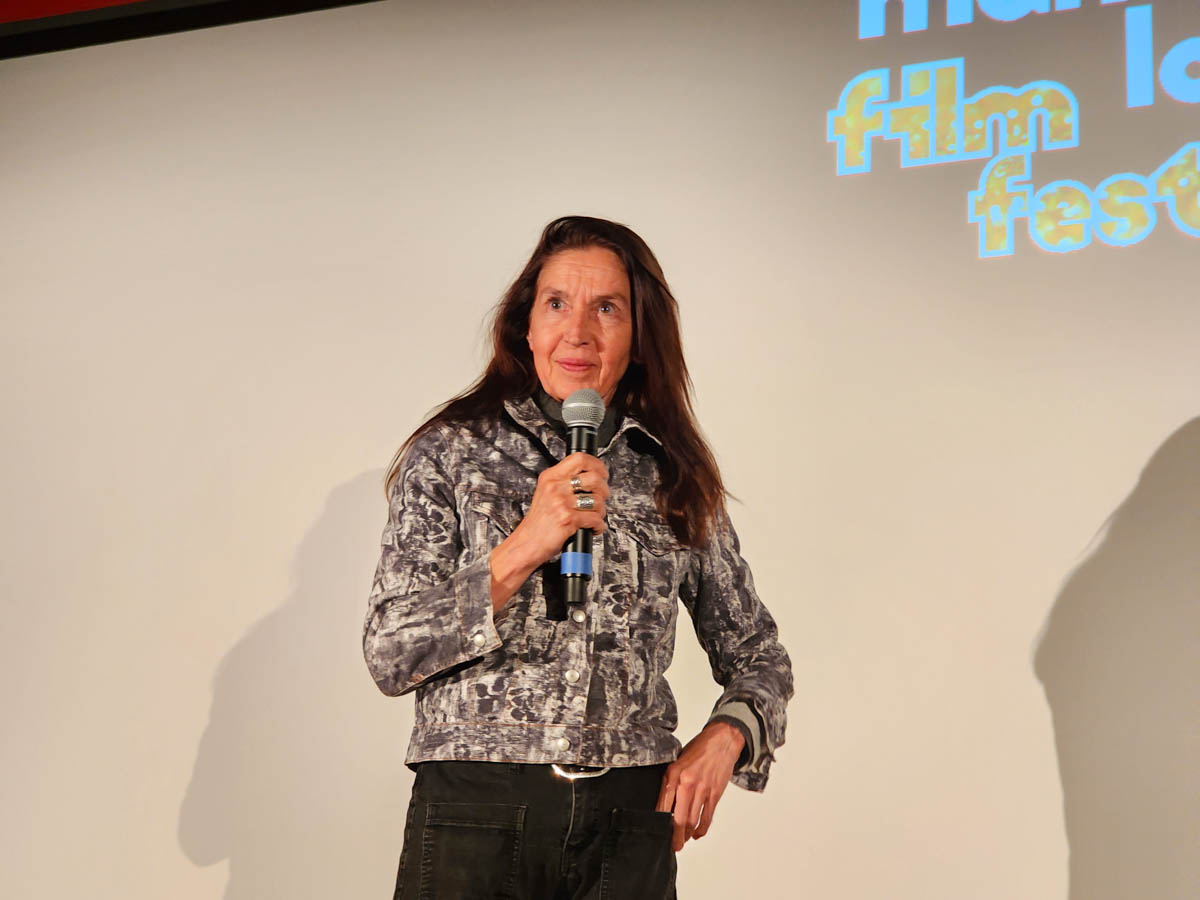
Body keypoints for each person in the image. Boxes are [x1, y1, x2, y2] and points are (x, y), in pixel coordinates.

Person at [363, 215, 793, 899]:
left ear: (639, 337)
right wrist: (524, 545)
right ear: (526, 327)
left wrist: (728, 735)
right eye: (557, 303)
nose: (579, 332)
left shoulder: (671, 474)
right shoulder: (451, 452)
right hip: (477, 813)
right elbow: (390, 653)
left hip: (627, 825)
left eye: (607, 309)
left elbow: (759, 656)